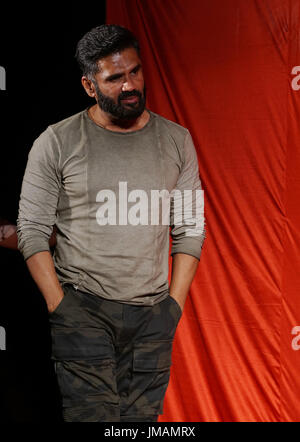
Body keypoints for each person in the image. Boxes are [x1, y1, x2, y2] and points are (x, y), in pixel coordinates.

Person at [17, 24, 206, 422]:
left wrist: (174, 306)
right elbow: (31, 231)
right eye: (115, 78)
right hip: (83, 311)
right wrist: (60, 306)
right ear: (89, 85)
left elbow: (190, 227)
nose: (129, 85)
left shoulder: (177, 140)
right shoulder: (56, 142)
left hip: (154, 314)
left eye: (134, 71)